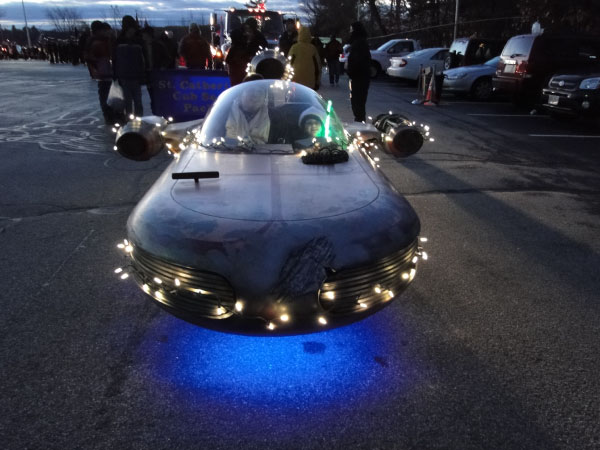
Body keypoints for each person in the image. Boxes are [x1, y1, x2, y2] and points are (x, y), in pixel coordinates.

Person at [113, 15, 146, 118]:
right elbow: (115, 59)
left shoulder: (137, 41)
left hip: (134, 75)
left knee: (137, 100)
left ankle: (137, 119)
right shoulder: (121, 41)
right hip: (125, 75)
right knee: (128, 100)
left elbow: (143, 59)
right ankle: (129, 119)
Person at [86, 21, 115, 123]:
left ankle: (110, 114)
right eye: (106, 30)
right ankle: (109, 115)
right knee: (105, 94)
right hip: (104, 72)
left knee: (107, 94)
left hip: (105, 71)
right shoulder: (98, 43)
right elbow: (95, 57)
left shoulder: (102, 41)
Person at [346, 21, 371, 122]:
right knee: (358, 101)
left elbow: (357, 61)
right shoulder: (361, 42)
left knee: (357, 101)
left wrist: (351, 71)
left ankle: (360, 122)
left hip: (359, 77)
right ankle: (360, 120)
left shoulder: (358, 44)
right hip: (361, 76)